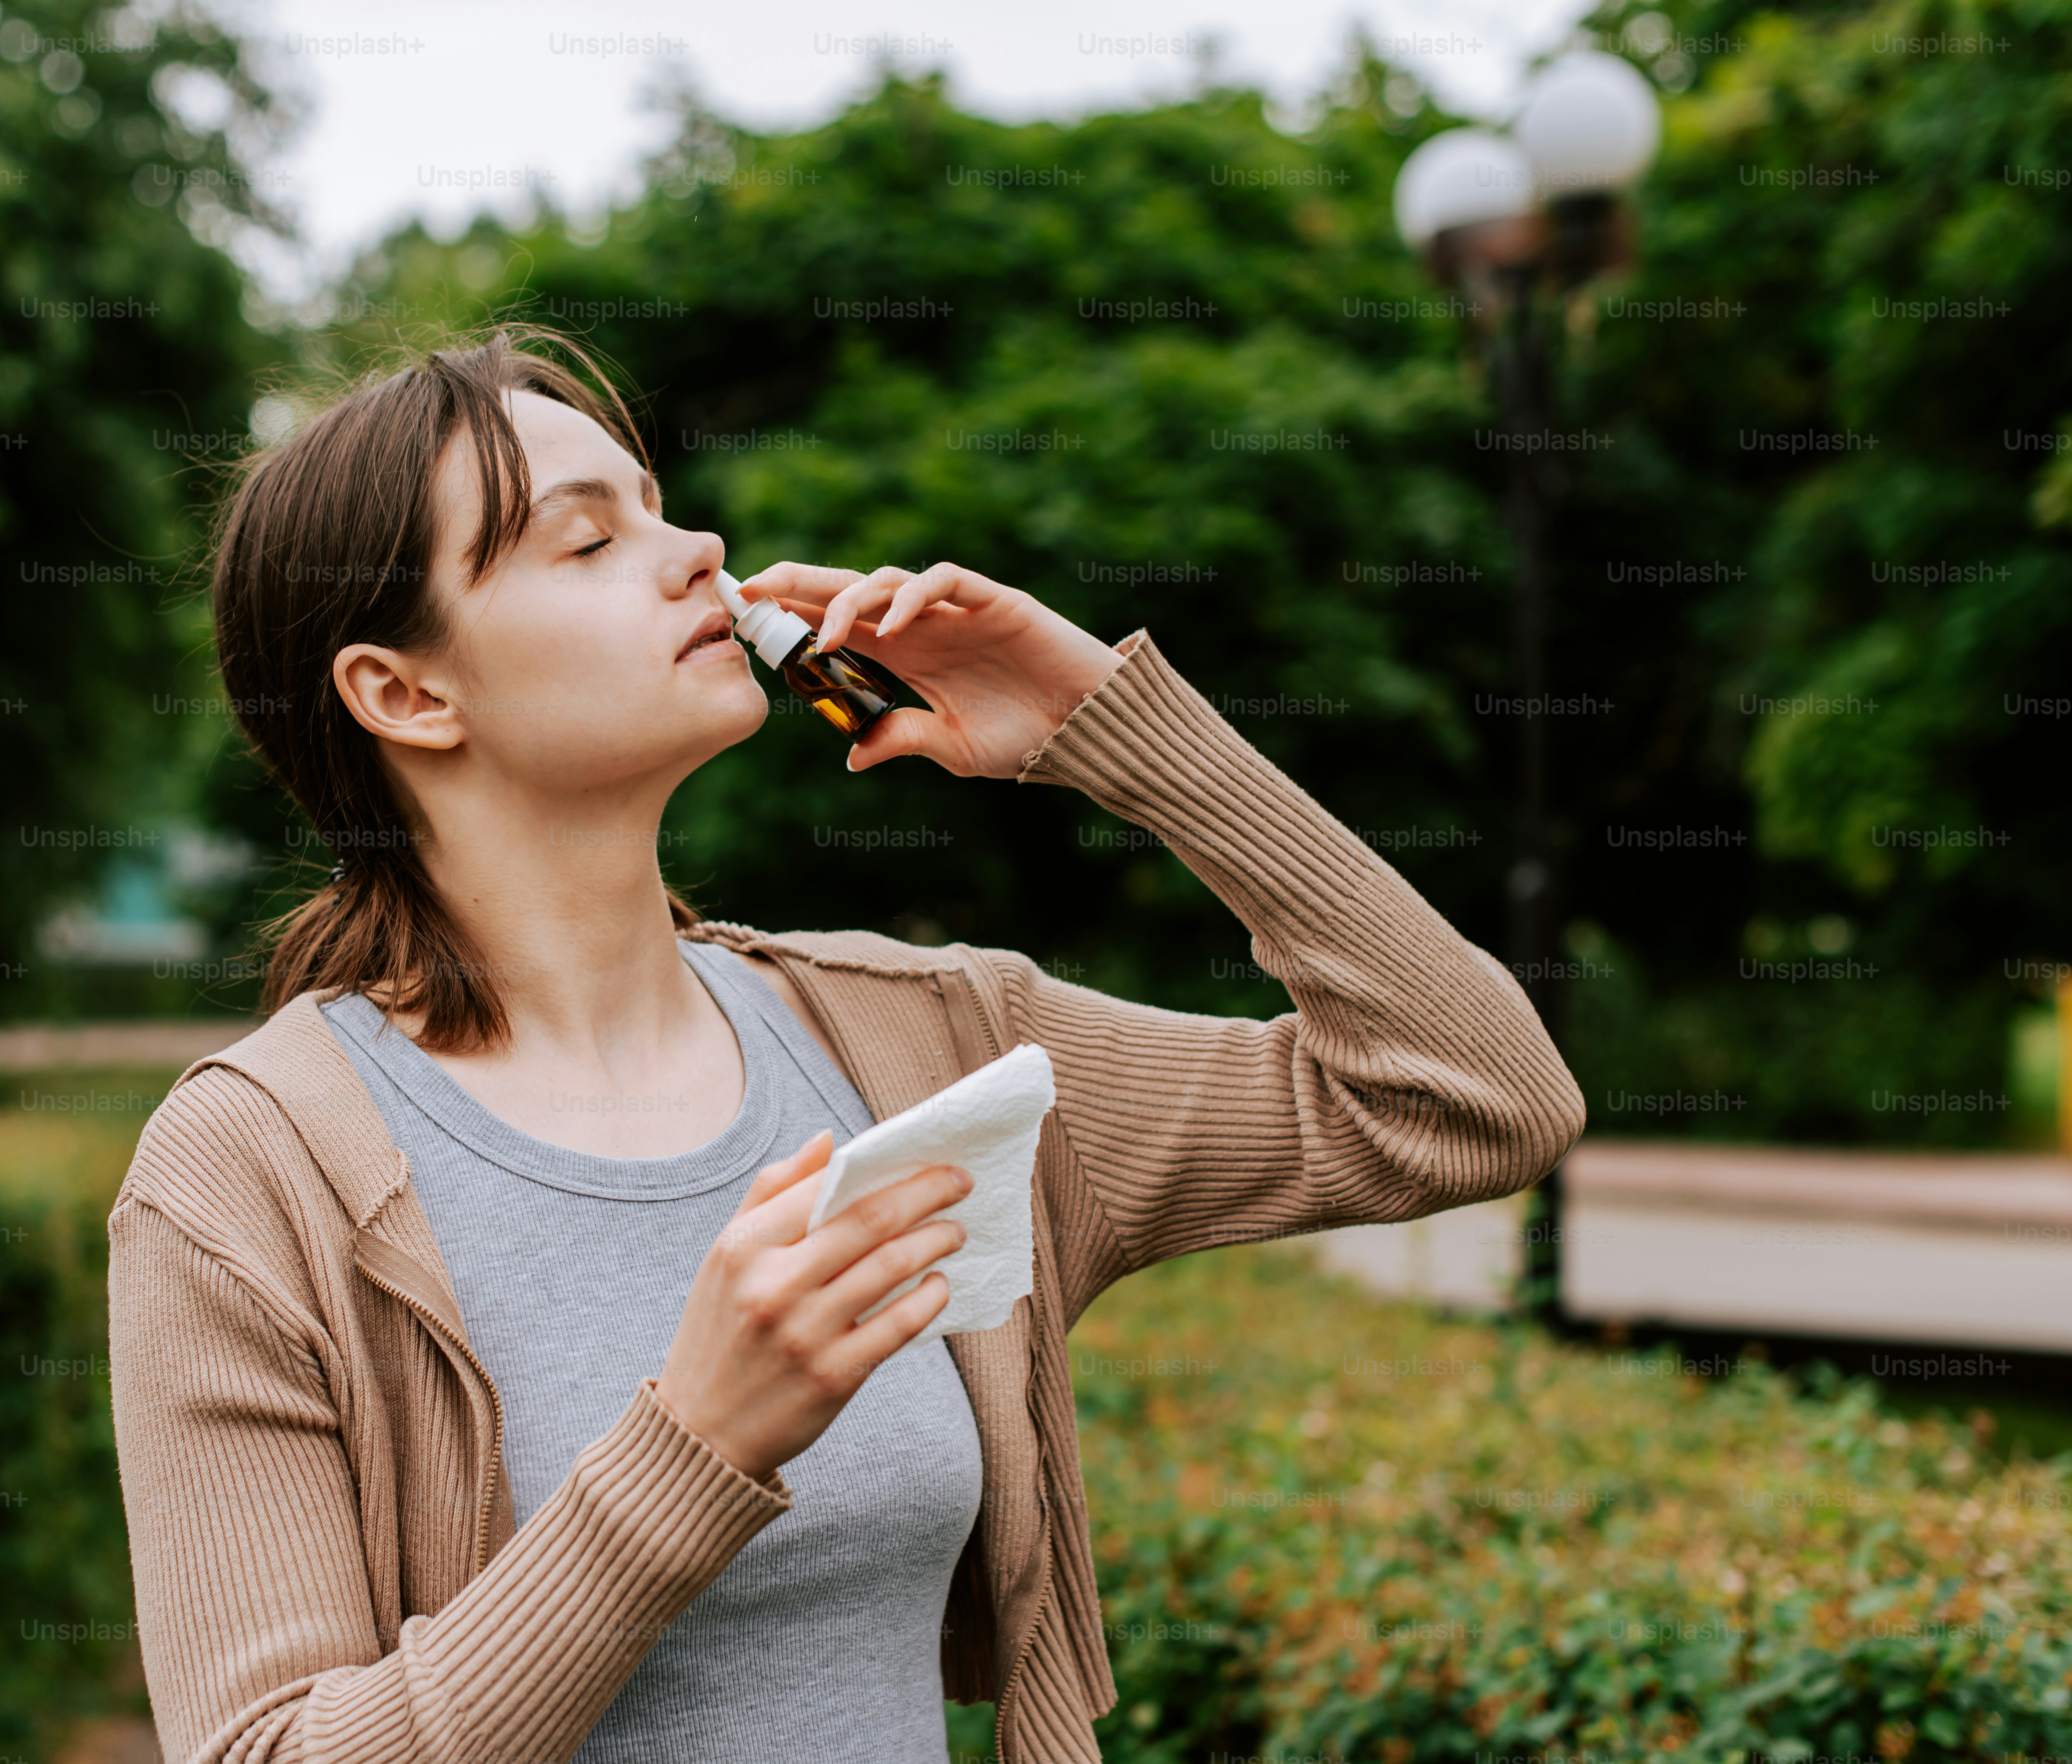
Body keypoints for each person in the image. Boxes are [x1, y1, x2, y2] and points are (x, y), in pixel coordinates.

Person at [106, 327, 1584, 1764]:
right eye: (586, 540)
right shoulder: (253, 1172)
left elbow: (1472, 1100)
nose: (695, 552)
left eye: (662, 509)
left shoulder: (922, 1044)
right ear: (404, 693)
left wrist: (1111, 733)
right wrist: (693, 1448)